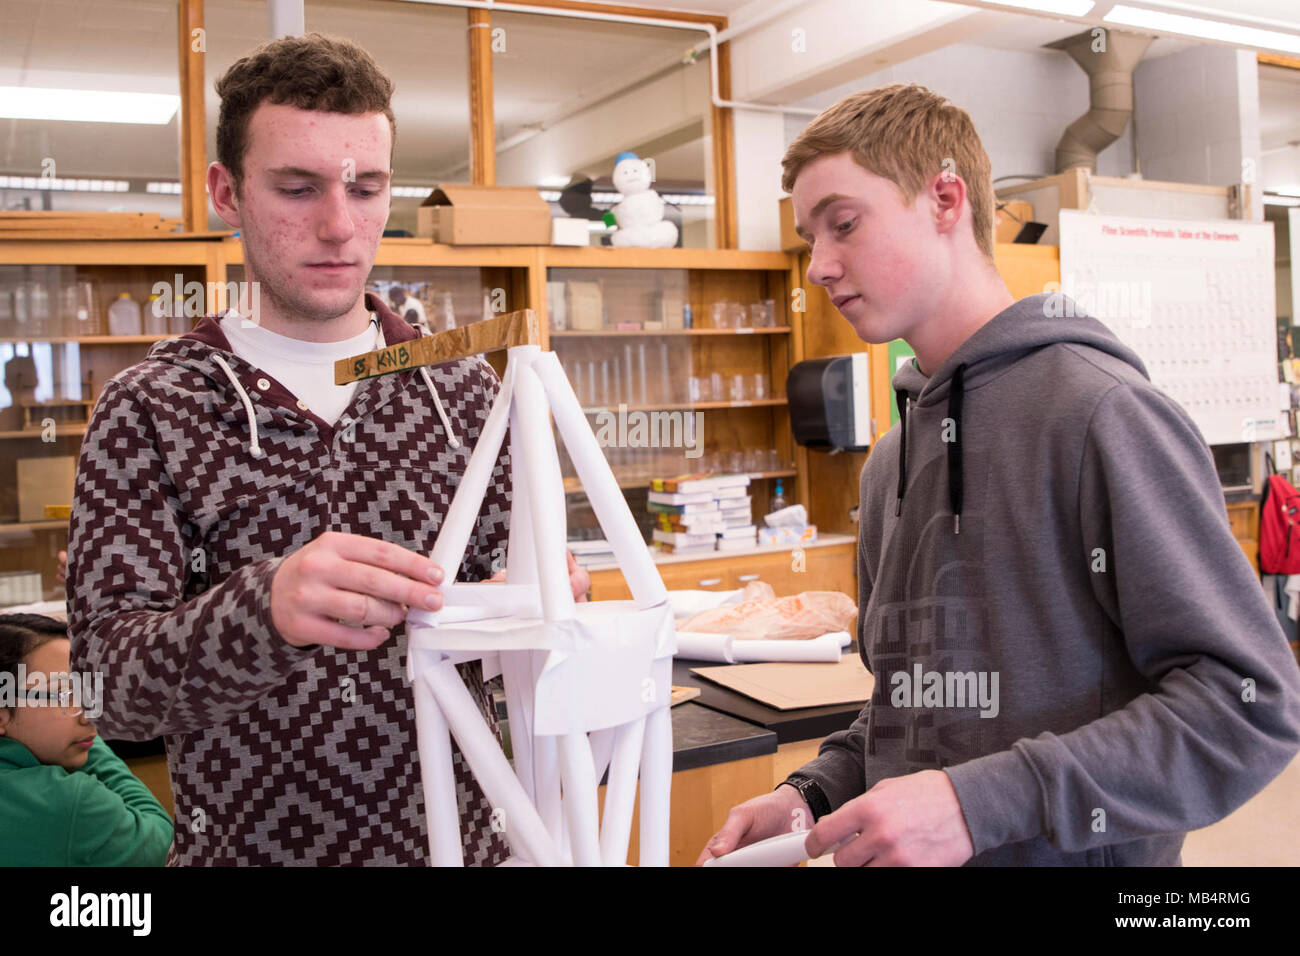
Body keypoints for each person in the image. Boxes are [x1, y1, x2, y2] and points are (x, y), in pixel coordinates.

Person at [698, 83, 1300, 867]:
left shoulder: (1103, 416)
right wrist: (813, 793)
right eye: (812, 237)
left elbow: (1246, 708)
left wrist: (976, 805)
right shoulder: (890, 467)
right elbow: (909, 708)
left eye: (843, 225)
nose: (819, 266)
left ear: (946, 198)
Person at [66, 33, 588, 866]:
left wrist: (541, 601)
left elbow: (524, 636)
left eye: (366, 188)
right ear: (226, 191)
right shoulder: (155, 406)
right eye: (297, 188)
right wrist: (262, 610)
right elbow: (101, 689)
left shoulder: (462, 393)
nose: (339, 226)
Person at [0, 613, 173, 866]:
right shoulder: (68, 802)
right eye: (65, 694)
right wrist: (87, 741)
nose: (91, 713)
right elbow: (163, 845)